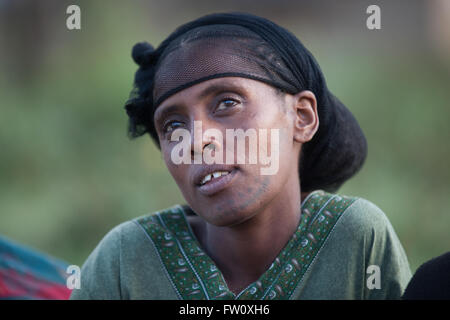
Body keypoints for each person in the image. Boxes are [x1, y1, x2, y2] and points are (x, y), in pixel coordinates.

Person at [70, 12, 411, 300]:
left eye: (228, 103)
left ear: (302, 117)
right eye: (173, 124)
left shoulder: (356, 239)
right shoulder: (124, 261)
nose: (196, 140)